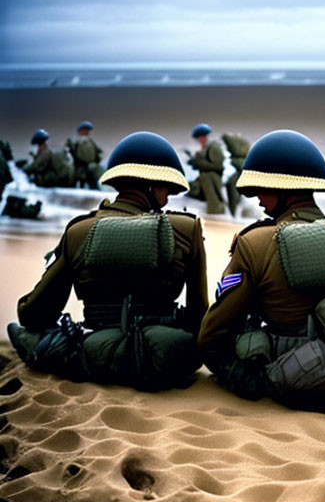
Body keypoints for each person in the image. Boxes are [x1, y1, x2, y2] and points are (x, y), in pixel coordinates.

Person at [198, 129, 325, 422]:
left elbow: (215, 331)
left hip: (280, 375)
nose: (259, 198)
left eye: (263, 188)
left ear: (283, 189)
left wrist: (235, 373)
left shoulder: (256, 242)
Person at [8, 131, 209, 390]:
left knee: (39, 338)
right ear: (148, 184)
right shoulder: (186, 228)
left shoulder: (79, 231)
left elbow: (34, 314)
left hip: (94, 357)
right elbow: (198, 315)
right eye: (164, 186)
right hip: (166, 359)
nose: (169, 195)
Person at [186, 123, 226, 215]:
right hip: (205, 180)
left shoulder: (214, 147)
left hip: (212, 180)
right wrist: (194, 162)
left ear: (205, 136)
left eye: (201, 137)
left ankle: (217, 217)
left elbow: (219, 166)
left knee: (215, 203)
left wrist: (200, 163)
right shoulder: (205, 148)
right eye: (198, 138)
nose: (199, 140)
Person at [67, 121, 103, 190]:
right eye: (85, 130)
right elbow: (73, 155)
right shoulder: (76, 143)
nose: (87, 132)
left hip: (90, 169)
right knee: (80, 186)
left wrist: (97, 160)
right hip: (80, 169)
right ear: (80, 131)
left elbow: (98, 152)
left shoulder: (90, 142)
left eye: (88, 131)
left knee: (94, 186)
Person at [222, 132, 251, 216]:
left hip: (241, 176)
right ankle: (234, 213)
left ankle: (234, 213)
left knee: (233, 189)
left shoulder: (239, 157)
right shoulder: (241, 154)